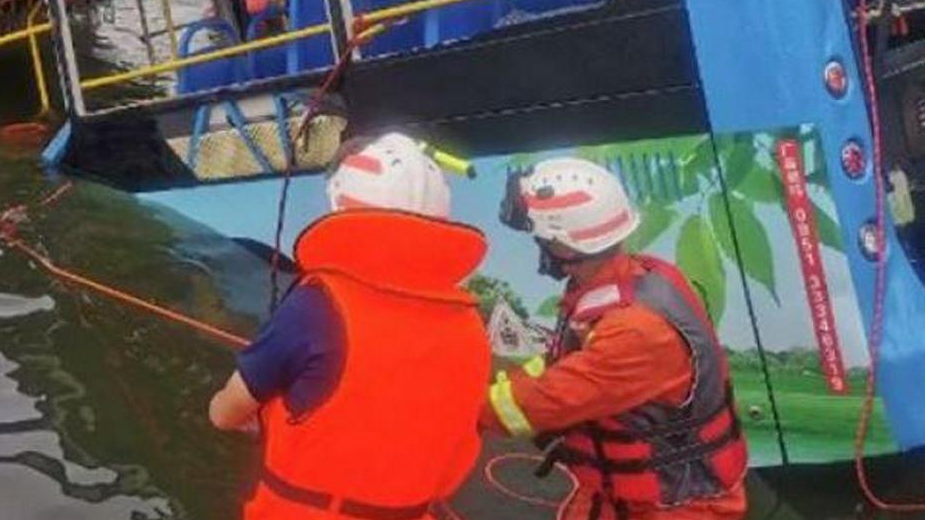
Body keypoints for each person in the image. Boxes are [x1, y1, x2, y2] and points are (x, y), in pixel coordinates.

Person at [208, 132, 491, 519]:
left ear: (343, 205)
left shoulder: (317, 306)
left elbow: (225, 413)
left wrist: (253, 416)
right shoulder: (470, 324)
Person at [484, 158, 748, 520]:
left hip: (677, 509)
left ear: (561, 246)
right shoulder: (638, 277)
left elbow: (546, 401)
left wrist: (465, 408)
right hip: (622, 497)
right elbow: (562, 367)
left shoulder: (635, 332)